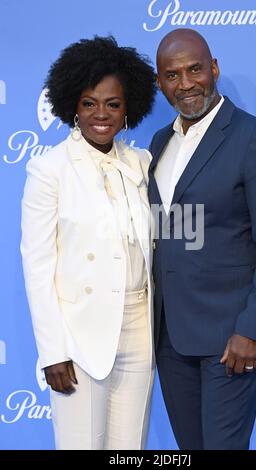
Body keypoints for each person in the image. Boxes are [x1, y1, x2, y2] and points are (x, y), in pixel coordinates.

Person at [148, 28, 256, 450]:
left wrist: (253, 329)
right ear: (160, 83)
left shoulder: (255, 138)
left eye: (194, 69)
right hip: (171, 339)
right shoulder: (160, 143)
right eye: (172, 75)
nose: (185, 83)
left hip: (232, 339)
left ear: (213, 69)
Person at [21, 36, 157, 450]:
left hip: (140, 328)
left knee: (129, 449)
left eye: (112, 104)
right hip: (79, 337)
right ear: (71, 107)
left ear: (128, 106)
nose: (101, 114)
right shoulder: (49, 170)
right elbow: (38, 264)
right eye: (88, 103)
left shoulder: (140, 164)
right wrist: (53, 352)